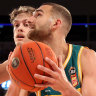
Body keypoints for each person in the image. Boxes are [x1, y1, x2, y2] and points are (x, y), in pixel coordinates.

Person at [26, 2, 96, 96]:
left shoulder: (86, 57)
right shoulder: (27, 61)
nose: (29, 20)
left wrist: (66, 89)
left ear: (55, 23)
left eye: (38, 15)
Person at [4, 6, 35, 96]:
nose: (19, 28)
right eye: (16, 25)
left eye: (26, 25)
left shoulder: (50, 57)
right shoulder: (12, 62)